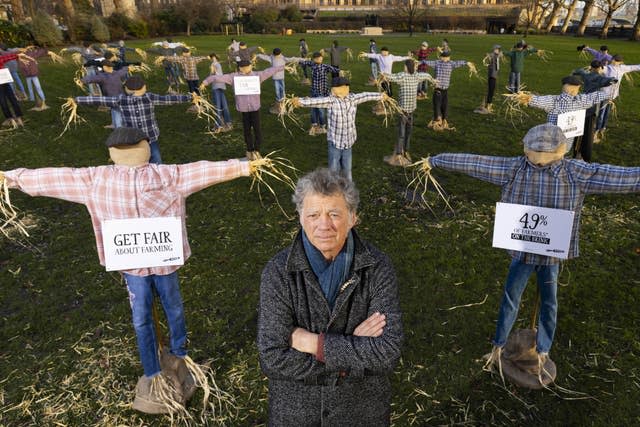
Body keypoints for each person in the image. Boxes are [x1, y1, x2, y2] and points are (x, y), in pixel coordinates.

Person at [1, 127, 255, 414]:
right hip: (134, 266)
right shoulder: (97, 179)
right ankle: (153, 371)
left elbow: (205, 171)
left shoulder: (163, 175)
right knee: (143, 317)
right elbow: (54, 178)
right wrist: (12, 178)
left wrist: (244, 167)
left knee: (173, 309)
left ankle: (180, 355)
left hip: (163, 260)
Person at [425, 123, 640, 382]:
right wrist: (437, 161)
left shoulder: (574, 172)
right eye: (535, 154)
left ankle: (543, 351)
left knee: (549, 301)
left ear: (560, 151)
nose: (538, 160)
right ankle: (499, 345)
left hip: (550, 255)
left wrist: (436, 160)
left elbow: (619, 176)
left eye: (544, 155)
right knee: (511, 298)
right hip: (523, 252)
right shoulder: (514, 168)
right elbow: (474, 162)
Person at [257, 168, 403, 426]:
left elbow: (387, 352)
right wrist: (353, 348)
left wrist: (315, 344)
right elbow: (272, 357)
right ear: (300, 217)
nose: (323, 224)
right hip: (297, 415)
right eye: (313, 214)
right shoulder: (278, 271)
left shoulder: (377, 266)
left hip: (361, 412)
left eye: (334, 214)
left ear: (353, 217)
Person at [74, 76, 194, 164]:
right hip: (147, 137)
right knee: (154, 160)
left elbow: (100, 100)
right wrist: (189, 97)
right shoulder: (148, 97)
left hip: (136, 138)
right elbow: (169, 99)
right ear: (143, 87)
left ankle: (149, 175)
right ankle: (155, 175)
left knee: (144, 160)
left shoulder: (121, 99)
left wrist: (77, 99)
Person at [291, 77, 385, 181]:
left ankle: (348, 189)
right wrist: (299, 101)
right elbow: (315, 101)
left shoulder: (353, 98)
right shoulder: (331, 101)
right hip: (335, 143)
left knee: (347, 170)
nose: (344, 89)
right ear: (334, 89)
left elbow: (366, 95)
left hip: (348, 142)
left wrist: (381, 96)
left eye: (346, 87)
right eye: (341, 87)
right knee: (334, 170)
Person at [201, 59, 284, 160]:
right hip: (243, 109)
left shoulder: (257, 75)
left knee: (257, 130)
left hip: (255, 108)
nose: (245, 69)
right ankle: (249, 150)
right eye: (242, 67)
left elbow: (269, 71)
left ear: (251, 66)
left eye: (247, 66)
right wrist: (205, 82)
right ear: (239, 68)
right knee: (247, 130)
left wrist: (282, 67)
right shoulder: (233, 77)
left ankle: (256, 150)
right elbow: (217, 77)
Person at [519, 75, 612, 153]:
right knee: (561, 155)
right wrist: (606, 95)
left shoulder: (554, 101)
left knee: (550, 157)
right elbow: (593, 97)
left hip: (550, 140)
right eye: (577, 89)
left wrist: (528, 98)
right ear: (574, 90)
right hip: (567, 143)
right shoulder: (580, 101)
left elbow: (540, 101)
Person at [381, 59, 434, 166]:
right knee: (408, 131)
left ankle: (399, 154)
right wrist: (433, 80)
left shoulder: (402, 76)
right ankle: (406, 150)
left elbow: (391, 77)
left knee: (401, 132)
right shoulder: (416, 76)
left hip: (403, 111)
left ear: (406, 67)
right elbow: (427, 75)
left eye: (404, 66)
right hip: (411, 110)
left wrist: (382, 74)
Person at [571, 61, 617, 161]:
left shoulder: (586, 75)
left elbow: (578, 71)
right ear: (600, 67)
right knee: (588, 129)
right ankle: (584, 155)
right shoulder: (599, 78)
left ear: (591, 67)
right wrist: (614, 79)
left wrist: (580, 71)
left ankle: (576, 152)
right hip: (592, 106)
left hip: (582, 103)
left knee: (578, 128)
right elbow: (609, 80)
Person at [595, 54, 640, 142]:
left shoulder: (622, 68)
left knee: (606, 112)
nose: (614, 61)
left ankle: (602, 128)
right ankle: (597, 132)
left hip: (613, 96)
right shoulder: (607, 68)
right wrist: (596, 68)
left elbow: (634, 67)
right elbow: (600, 69)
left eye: (616, 60)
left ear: (620, 62)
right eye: (613, 59)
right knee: (601, 113)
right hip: (604, 95)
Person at [420, 51, 469, 131]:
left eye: (447, 57)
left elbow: (458, 63)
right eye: (445, 57)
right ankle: (436, 121)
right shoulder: (437, 63)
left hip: (445, 90)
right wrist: (420, 62)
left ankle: (443, 120)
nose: (446, 58)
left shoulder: (451, 64)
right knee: (437, 106)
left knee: (444, 106)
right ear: (441, 57)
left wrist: (466, 63)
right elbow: (427, 62)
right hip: (438, 90)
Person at [297, 52, 339, 136]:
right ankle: (314, 125)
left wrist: (339, 71)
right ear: (314, 59)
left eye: (320, 58)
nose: (320, 59)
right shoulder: (312, 64)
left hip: (322, 92)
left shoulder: (325, 66)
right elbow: (303, 62)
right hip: (314, 91)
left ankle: (322, 127)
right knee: (313, 109)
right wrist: (297, 61)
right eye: (318, 58)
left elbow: (335, 70)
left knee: (320, 110)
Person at [81, 60, 130, 128]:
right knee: (114, 110)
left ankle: (119, 129)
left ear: (104, 67)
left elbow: (91, 78)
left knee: (117, 112)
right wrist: (127, 68)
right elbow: (123, 71)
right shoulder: (117, 73)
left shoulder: (102, 76)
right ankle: (114, 124)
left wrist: (82, 80)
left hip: (113, 98)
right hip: (120, 96)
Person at [256, 48, 301, 113]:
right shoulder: (272, 58)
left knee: (281, 90)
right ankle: (279, 103)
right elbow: (264, 57)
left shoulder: (281, 58)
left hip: (280, 78)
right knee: (278, 90)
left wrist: (302, 59)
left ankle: (281, 104)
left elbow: (293, 59)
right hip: (276, 78)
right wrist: (258, 55)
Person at [17, 46, 50, 112]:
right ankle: (36, 100)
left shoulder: (27, 54)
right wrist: (45, 49)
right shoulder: (22, 55)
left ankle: (41, 100)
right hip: (30, 74)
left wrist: (45, 49)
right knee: (33, 88)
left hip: (31, 74)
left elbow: (39, 52)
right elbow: (40, 52)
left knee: (37, 87)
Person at [207, 53, 233, 133]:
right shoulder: (218, 64)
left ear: (212, 58)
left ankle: (218, 125)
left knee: (217, 106)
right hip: (221, 85)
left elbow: (213, 76)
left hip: (216, 86)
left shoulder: (214, 64)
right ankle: (228, 122)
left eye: (212, 57)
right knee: (223, 104)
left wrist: (211, 71)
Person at [0, 50, 26, 127]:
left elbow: (6, 57)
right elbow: (7, 57)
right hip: (4, 80)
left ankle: (10, 119)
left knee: (3, 101)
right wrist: (17, 55)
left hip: (3, 81)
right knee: (12, 98)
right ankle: (19, 117)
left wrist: (16, 55)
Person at [474, 44, 502, 114]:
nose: (498, 50)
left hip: (494, 76)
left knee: (491, 91)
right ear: (494, 49)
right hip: (492, 76)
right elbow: (489, 55)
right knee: (490, 91)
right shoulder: (493, 55)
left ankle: (488, 105)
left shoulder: (497, 56)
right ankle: (487, 106)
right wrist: (488, 55)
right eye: (497, 49)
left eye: (499, 49)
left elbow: (498, 57)